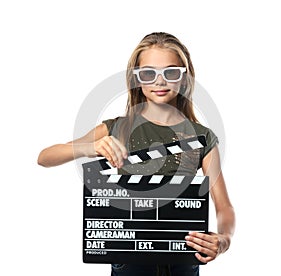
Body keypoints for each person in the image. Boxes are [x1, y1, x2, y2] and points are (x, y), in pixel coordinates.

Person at [38, 32, 235, 276]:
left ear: (184, 78)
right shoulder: (117, 128)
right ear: (136, 79)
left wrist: (224, 239)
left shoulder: (200, 137)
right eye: (148, 73)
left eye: (171, 72)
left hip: (183, 260)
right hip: (129, 262)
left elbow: (224, 206)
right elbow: (45, 157)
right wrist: (90, 148)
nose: (159, 82)